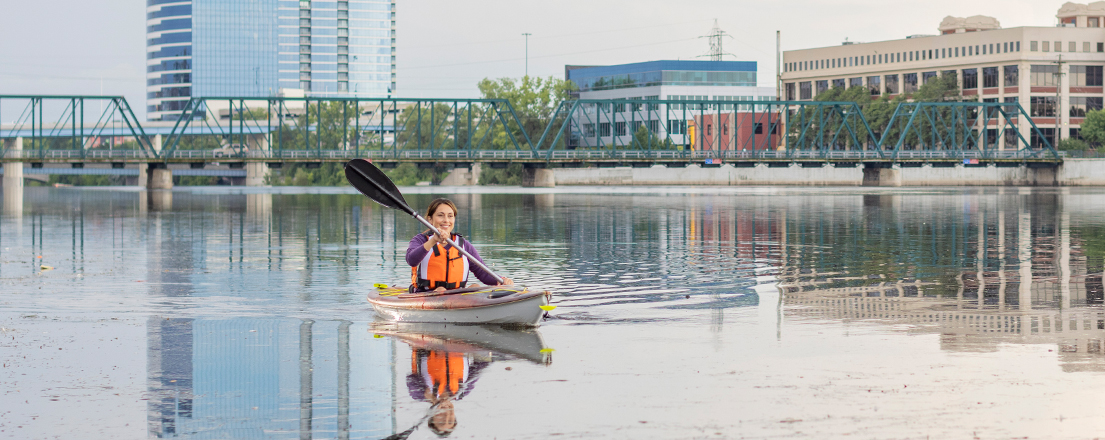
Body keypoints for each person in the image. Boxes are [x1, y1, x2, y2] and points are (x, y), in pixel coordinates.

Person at [405, 198, 513, 292]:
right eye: (440, 215)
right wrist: (433, 241)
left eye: (450, 216)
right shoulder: (420, 240)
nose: (446, 220)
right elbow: (411, 260)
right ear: (430, 219)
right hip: (426, 295)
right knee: (441, 290)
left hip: (456, 296)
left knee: (475, 287)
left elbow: (482, 273)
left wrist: (502, 280)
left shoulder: (463, 245)